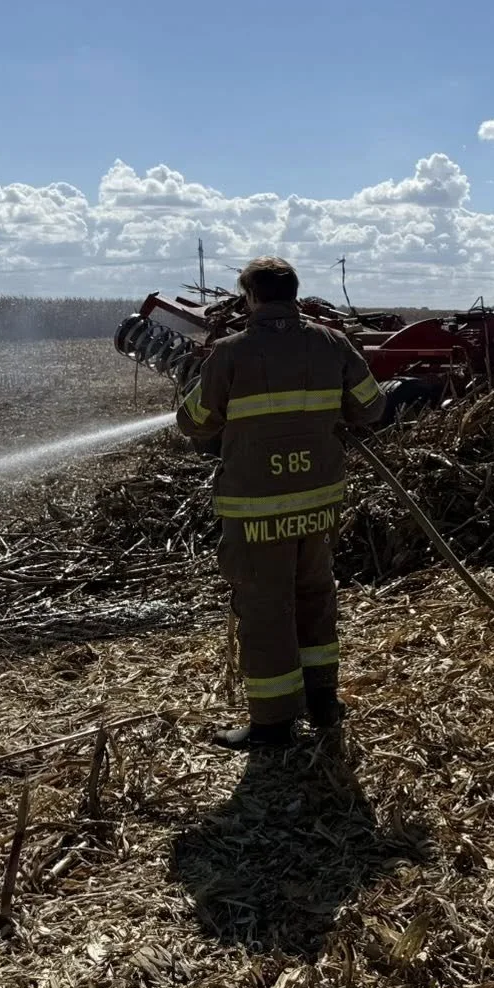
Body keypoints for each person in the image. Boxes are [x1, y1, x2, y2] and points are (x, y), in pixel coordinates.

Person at [178, 257, 386, 753]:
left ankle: (272, 724)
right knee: (315, 595)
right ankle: (323, 702)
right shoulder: (333, 343)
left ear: (251, 297)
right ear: (293, 293)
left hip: (257, 511)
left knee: (266, 607)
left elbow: (194, 421)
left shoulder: (231, 352)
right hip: (319, 505)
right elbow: (373, 406)